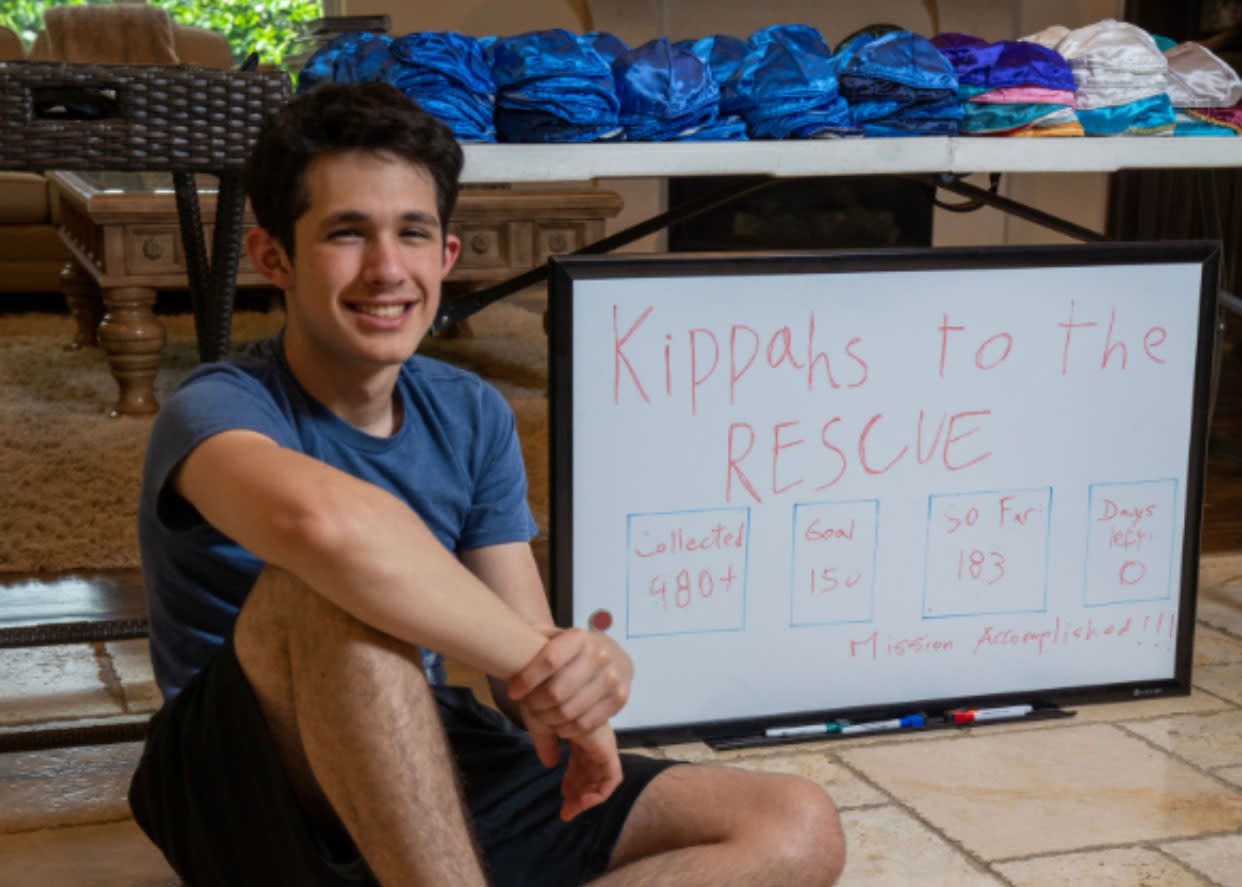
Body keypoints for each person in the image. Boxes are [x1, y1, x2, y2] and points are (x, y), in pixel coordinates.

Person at [128, 80, 846, 887]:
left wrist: (578, 676)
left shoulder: (469, 411)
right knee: (329, 590)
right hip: (242, 782)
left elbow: (521, 673)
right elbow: (330, 529)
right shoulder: (215, 408)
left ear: (446, 256)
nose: (387, 268)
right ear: (273, 258)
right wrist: (544, 657)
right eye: (346, 233)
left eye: (412, 233)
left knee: (794, 826)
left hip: (413, 749)